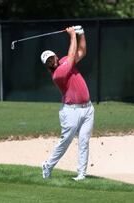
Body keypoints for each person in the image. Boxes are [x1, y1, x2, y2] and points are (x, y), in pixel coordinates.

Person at [40, 26, 94, 181]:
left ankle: (81, 174)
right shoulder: (57, 75)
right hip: (71, 111)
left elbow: (81, 51)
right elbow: (71, 56)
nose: (52, 61)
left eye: (52, 57)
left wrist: (81, 33)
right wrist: (72, 35)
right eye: (48, 61)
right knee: (66, 141)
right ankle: (48, 165)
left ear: (56, 56)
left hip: (88, 108)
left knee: (84, 141)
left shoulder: (64, 61)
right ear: (47, 66)